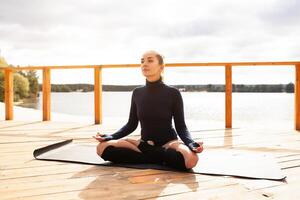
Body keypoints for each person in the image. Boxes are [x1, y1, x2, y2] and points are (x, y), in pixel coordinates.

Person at [94, 50, 203, 171]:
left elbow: (181, 127)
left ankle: (150, 156)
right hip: (143, 144)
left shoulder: (173, 93)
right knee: (101, 147)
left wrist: (190, 143)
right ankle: (158, 158)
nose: (144, 64)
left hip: (168, 144)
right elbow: (131, 124)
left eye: (150, 60)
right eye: (142, 61)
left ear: (161, 67)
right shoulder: (137, 93)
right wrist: (110, 136)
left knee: (191, 160)